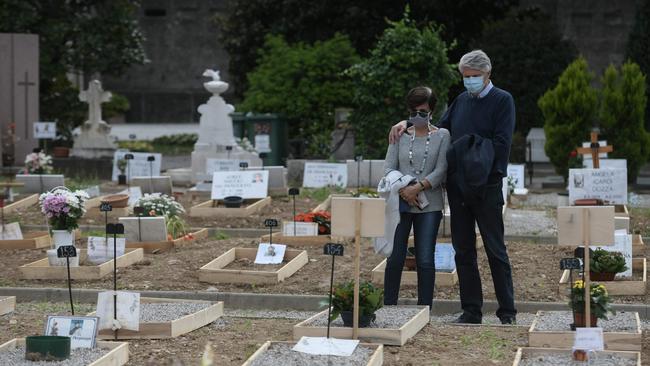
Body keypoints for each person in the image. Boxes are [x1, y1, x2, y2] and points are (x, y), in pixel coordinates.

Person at [389, 50, 517, 324]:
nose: (469, 81)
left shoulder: (502, 100)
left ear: (487, 74)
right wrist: (406, 122)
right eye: (465, 77)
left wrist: (479, 167)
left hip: (486, 187)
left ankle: (507, 311)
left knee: (495, 249)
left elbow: (502, 144)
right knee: (463, 250)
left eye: (474, 76)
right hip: (458, 188)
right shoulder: (461, 101)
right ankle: (471, 310)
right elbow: (439, 128)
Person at [382, 86, 450, 309]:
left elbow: (441, 170)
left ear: (431, 111)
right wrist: (405, 189)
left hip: (429, 204)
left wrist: (418, 187)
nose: (417, 116)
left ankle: (425, 308)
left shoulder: (441, 135)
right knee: (395, 256)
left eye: (422, 112)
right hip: (400, 202)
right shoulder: (399, 134)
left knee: (424, 258)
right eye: (413, 112)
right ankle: (389, 304)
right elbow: (389, 167)